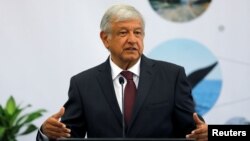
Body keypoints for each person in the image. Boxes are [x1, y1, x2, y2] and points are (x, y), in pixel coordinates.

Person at [36, 3, 208, 141]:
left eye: (138, 33)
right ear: (105, 39)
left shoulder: (172, 76)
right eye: (123, 33)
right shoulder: (83, 84)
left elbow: (193, 129)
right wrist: (47, 133)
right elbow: (68, 136)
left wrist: (208, 133)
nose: (132, 39)